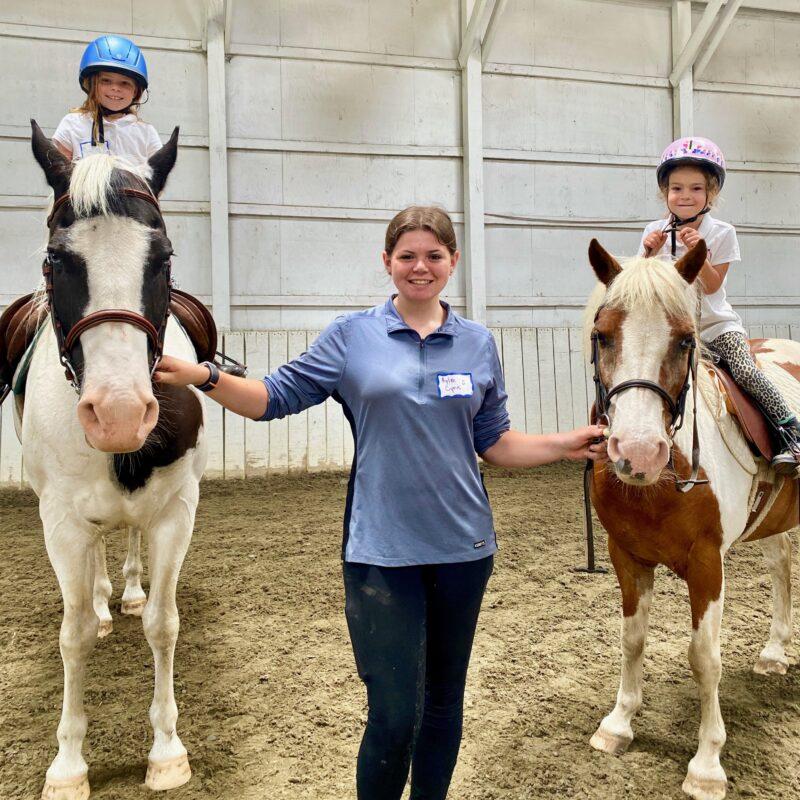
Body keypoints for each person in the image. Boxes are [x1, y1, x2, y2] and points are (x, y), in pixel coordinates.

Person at [154, 205, 607, 799]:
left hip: (465, 549)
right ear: (387, 261)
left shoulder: (477, 343)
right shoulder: (352, 337)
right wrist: (203, 377)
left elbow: (494, 443)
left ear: (453, 262)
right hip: (382, 553)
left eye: (434, 256)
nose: (421, 267)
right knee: (394, 715)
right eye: (407, 256)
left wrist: (565, 444)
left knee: (443, 704)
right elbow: (270, 399)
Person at [640, 137, 800, 475]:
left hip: (716, 328)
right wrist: (647, 254)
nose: (685, 195)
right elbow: (643, 286)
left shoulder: (722, 233)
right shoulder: (653, 231)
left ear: (711, 194)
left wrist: (699, 253)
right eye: (676, 188)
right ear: (664, 192)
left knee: (745, 372)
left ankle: (790, 433)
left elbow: (712, 286)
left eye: (696, 188)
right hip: (672, 333)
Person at [51, 35, 161, 164]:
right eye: (106, 80)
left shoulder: (146, 133)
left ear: (135, 91)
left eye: (124, 83)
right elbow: (60, 171)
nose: (115, 88)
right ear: (91, 84)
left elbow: (158, 173)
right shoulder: (73, 124)